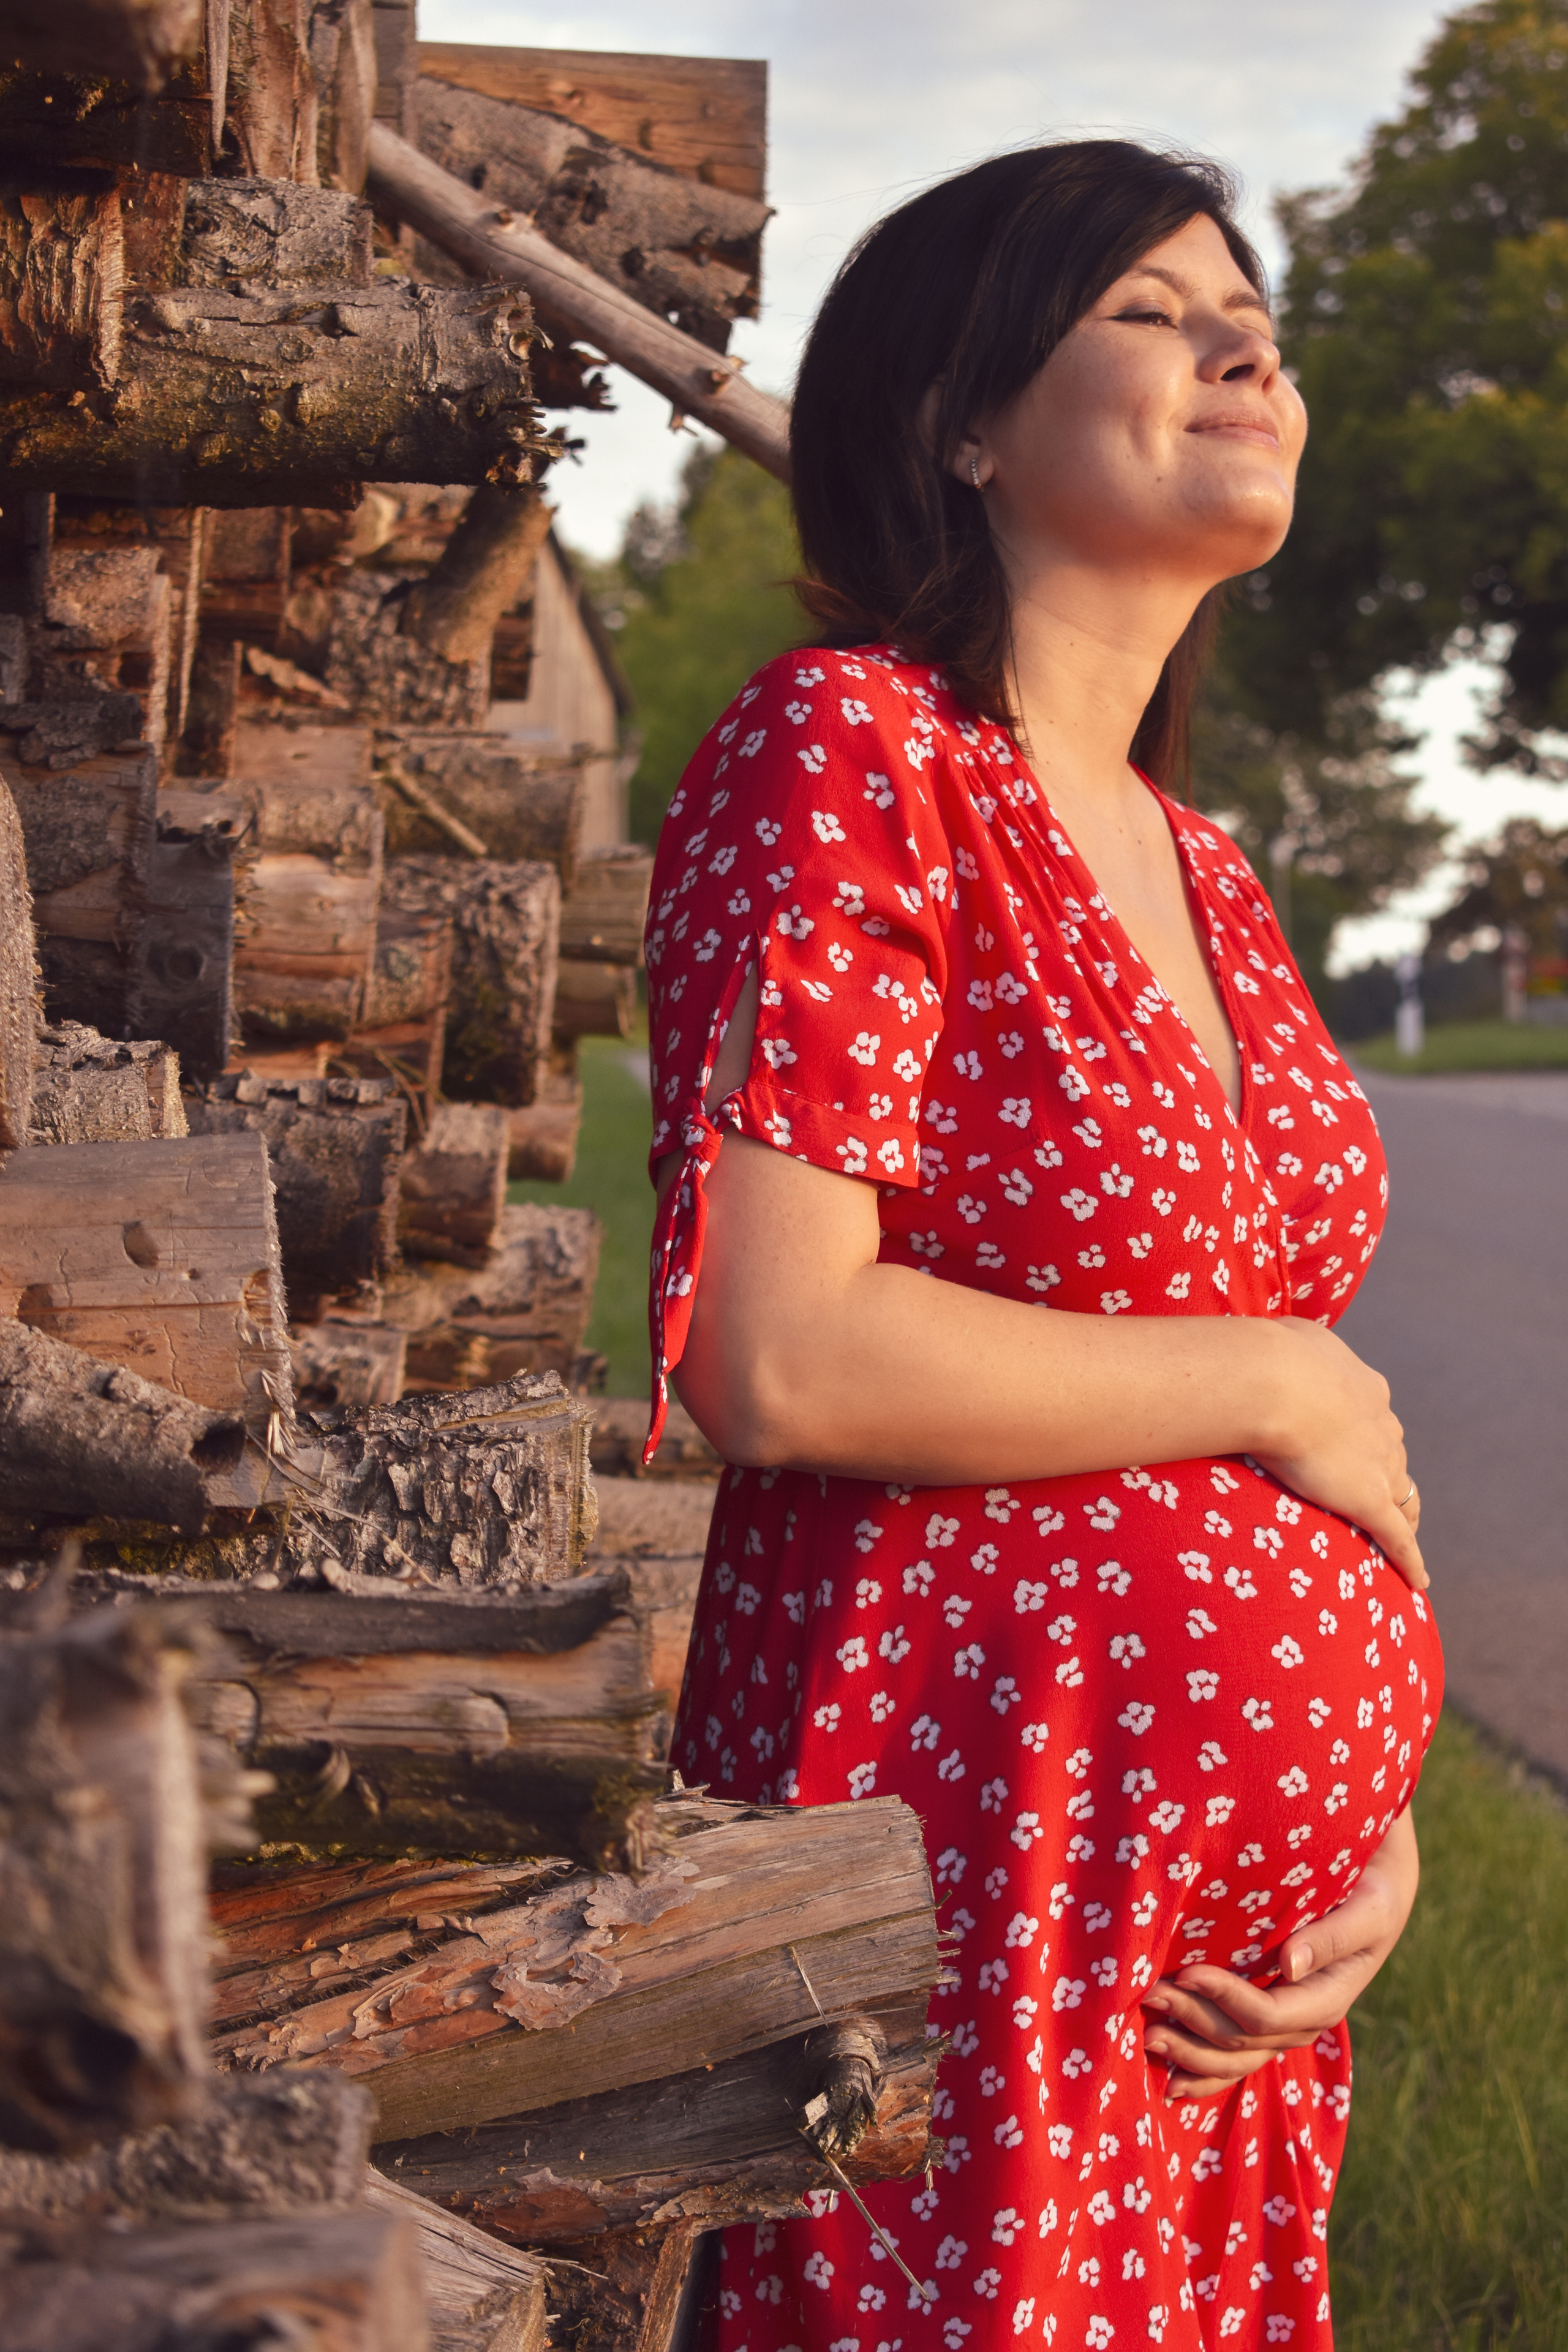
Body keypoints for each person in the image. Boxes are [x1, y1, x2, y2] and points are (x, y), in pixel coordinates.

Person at [643, 140, 1443, 2352]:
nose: (1241, 340)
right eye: (1151, 308)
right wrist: (1278, 1379)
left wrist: (1360, 1842)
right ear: (960, 420)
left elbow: (1291, 1474)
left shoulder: (1221, 874)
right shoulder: (857, 750)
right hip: (973, 1855)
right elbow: (780, 1353)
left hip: (1207, 1982)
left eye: (1245, 306)